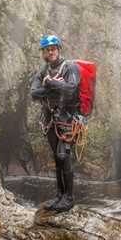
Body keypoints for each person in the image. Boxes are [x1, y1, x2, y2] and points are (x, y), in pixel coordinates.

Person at [30, 34, 81, 212]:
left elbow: (71, 89)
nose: (50, 52)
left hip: (68, 119)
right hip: (51, 119)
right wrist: (52, 86)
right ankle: (60, 196)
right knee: (57, 158)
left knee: (63, 156)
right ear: (43, 53)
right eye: (46, 50)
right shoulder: (42, 72)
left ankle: (69, 198)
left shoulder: (70, 68)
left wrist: (50, 83)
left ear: (58, 49)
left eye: (52, 49)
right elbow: (34, 93)